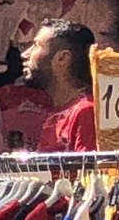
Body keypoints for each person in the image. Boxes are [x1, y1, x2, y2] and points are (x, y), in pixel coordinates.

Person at [24, 19, 96, 151]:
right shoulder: (52, 110)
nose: (25, 54)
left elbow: (88, 171)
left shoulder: (85, 111)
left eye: (36, 45)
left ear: (62, 58)